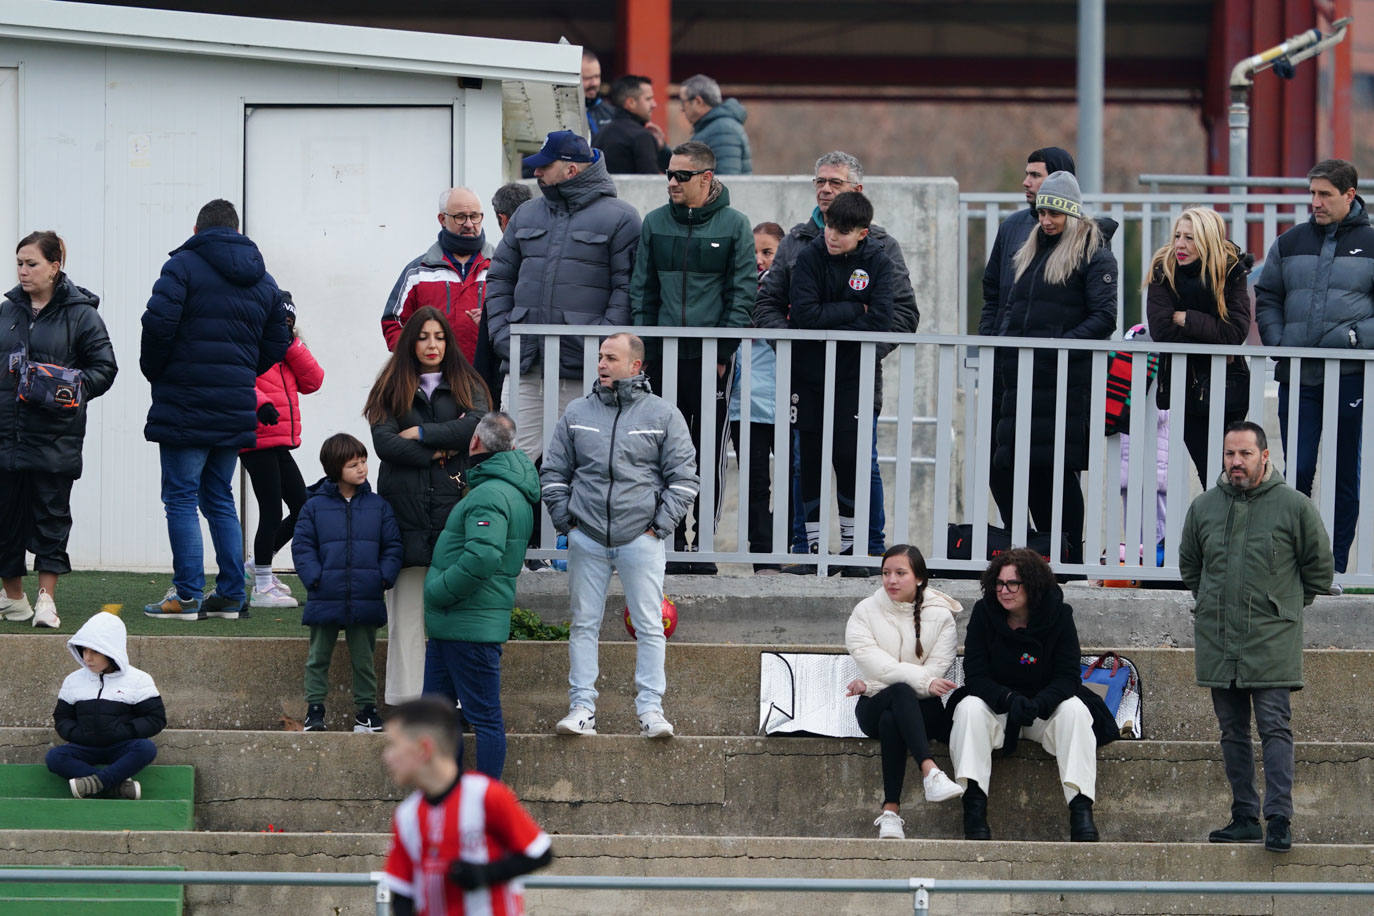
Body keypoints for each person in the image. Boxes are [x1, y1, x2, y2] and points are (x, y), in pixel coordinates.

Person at [754, 151, 919, 566]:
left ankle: (867, 550)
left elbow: (901, 315)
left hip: (857, 379)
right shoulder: (796, 244)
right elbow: (767, 305)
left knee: (860, 460)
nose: (825, 189)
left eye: (836, 183)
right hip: (805, 377)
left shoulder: (882, 247)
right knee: (801, 459)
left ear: (857, 192)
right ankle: (802, 548)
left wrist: (855, 352)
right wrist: (797, 344)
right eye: (820, 182)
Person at [1178, 421, 1333, 853]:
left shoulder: (1293, 506)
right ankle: (1244, 816)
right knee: (1231, 731)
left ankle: (1279, 818)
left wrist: (1281, 606)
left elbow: (1319, 571)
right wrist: (1214, 601)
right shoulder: (1204, 507)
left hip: (1272, 639)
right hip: (1218, 636)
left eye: (1245, 454)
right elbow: (1191, 566)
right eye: (1230, 454)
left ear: (1265, 456)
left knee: (1274, 728)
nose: (1236, 462)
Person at [541, 333, 698, 739]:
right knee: (583, 626)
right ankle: (581, 709)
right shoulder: (577, 411)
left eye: (611, 357)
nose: (601, 364)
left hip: (639, 538)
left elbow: (684, 479)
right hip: (587, 536)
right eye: (599, 357)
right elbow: (554, 472)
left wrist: (657, 528)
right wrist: (568, 523)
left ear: (635, 365)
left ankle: (650, 711)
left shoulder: (663, 414)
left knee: (650, 626)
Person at [141, 199, 290, 621]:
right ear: (237, 231)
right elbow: (278, 341)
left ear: (196, 229)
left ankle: (187, 596)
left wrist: (158, 371)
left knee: (182, 498)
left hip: (185, 402)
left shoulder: (182, 267)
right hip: (233, 403)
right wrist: (241, 370)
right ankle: (230, 594)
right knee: (219, 498)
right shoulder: (263, 279)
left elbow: (157, 325)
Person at [631, 140, 756, 573]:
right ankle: (667, 540)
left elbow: (742, 294)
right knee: (660, 451)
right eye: (668, 174)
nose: (671, 182)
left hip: (712, 361)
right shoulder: (654, 223)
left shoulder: (736, 225)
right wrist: (643, 350)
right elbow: (642, 291)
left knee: (707, 453)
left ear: (706, 178)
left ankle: (700, 545)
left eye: (681, 176)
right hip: (662, 357)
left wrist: (723, 351)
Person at [485, 130, 641, 463]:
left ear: (571, 169)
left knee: (586, 466)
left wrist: (601, 346)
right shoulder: (526, 214)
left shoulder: (622, 218)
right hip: (525, 366)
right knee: (511, 466)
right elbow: (499, 278)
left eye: (545, 165)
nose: (536, 172)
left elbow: (627, 290)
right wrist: (504, 336)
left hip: (584, 369)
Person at [987, 171, 1117, 562]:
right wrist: (1009, 349)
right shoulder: (1031, 248)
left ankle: (1066, 556)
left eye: (1055, 214)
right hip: (1022, 380)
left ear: (1072, 214)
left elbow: (1105, 317)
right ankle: (1035, 552)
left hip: (1064, 383)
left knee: (1055, 473)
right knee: (1005, 468)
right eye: (1043, 212)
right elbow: (1012, 306)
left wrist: (1058, 348)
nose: (1046, 220)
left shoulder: (1092, 252)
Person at [1254, 158, 1374, 581]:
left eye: (1324, 194)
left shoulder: (1372, 242)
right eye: (1312, 193)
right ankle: (1294, 564)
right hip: (1298, 377)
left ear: (1349, 195)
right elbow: (1267, 294)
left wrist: (1356, 338)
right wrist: (1279, 341)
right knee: (1297, 470)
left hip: (1349, 378)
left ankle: (1335, 569)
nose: (1315, 202)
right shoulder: (1290, 242)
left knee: (1344, 474)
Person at [364, 307, 491, 706]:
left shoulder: (469, 383)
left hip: (454, 514)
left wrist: (421, 432)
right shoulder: (390, 385)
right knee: (405, 617)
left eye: (439, 336)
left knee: (451, 617)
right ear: (410, 342)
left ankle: (449, 701)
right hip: (404, 516)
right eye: (423, 337)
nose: (432, 344)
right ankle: (405, 700)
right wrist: (438, 453)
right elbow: (385, 444)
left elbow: (478, 426)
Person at [948, 548, 1117, 842]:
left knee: (1076, 710)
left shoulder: (1059, 615)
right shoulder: (984, 613)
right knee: (969, 708)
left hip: (1044, 711)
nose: (1004, 590)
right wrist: (1009, 700)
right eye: (999, 583)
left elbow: (1067, 676)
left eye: (1013, 583)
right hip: (998, 710)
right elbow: (975, 674)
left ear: (1033, 585)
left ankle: (1081, 812)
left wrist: (1040, 703)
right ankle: (974, 810)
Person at [1, 231, 117, 628]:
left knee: (51, 518)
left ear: (55, 266)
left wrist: (65, 387)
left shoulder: (82, 314)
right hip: (8, 437)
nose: (23, 271)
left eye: (32, 263)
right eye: (19, 263)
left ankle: (46, 600)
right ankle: (13, 599)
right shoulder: (7, 313)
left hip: (54, 438)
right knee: (5, 519)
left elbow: (105, 369)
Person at [423, 412, 538, 779]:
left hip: (467, 621)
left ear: (474, 443)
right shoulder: (506, 488)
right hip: (459, 624)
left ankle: (483, 807)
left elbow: (484, 555)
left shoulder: (490, 493)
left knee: (484, 717)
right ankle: (450, 801)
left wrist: (438, 590)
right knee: (438, 715)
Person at [786, 191, 893, 569]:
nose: (833, 236)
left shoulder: (878, 261)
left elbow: (882, 318)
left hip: (853, 377)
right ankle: (811, 546)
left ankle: (852, 545)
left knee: (851, 457)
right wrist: (853, 308)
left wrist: (837, 315)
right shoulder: (809, 256)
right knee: (809, 459)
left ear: (862, 233)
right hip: (809, 375)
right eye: (830, 227)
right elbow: (804, 315)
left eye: (843, 232)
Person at [381, 697, 552, 916]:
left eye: (394, 745)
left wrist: (484, 874)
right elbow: (403, 894)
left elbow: (540, 853)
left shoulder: (486, 795)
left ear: (424, 748)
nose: (387, 756)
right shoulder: (406, 814)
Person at [844, 544, 964, 840]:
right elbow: (876, 665)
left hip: (921, 709)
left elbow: (937, 673)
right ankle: (930, 772)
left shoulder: (942, 617)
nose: (891, 581)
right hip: (873, 705)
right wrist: (876, 686)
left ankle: (891, 814)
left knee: (892, 719)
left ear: (919, 578)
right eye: (886, 573)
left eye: (900, 573)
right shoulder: (864, 612)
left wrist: (872, 684)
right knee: (896, 694)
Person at [292, 433, 403, 734]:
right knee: (318, 656)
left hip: (366, 595)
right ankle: (314, 711)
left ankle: (366, 713)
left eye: (364, 461)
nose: (362, 468)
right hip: (325, 594)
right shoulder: (314, 507)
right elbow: (302, 547)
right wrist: (315, 578)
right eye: (354, 464)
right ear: (335, 468)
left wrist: (382, 577)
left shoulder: (379, 506)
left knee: (364, 658)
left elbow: (392, 546)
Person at [1145, 207, 1253, 485]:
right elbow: (1162, 331)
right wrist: (1211, 332)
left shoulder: (1231, 270)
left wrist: (1187, 317)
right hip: (1183, 387)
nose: (1180, 244)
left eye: (1190, 238)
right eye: (1178, 235)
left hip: (1228, 388)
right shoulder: (1163, 268)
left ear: (1208, 241)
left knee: (1229, 473)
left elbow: (1234, 332)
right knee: (1211, 473)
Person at [241, 293, 324, 609]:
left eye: (289, 322)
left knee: (303, 506)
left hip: (278, 440)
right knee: (272, 510)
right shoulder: (251, 345)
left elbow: (314, 381)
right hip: (255, 437)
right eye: (279, 321)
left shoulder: (286, 350)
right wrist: (262, 405)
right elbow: (239, 380)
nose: (284, 326)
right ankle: (262, 585)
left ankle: (256, 567)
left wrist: (290, 344)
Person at [46, 611, 166, 800]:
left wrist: (124, 732)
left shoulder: (139, 679)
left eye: (94, 652)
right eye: (84, 650)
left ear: (111, 651)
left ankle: (96, 784)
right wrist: (76, 734)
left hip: (121, 747)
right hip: (85, 747)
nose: (87, 658)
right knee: (55, 757)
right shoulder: (73, 680)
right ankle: (115, 786)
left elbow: (156, 719)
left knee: (146, 748)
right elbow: (62, 717)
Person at [727, 222, 784, 573]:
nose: (759, 259)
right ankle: (762, 553)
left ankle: (783, 542)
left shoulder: (786, 290)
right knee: (755, 482)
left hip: (782, 400)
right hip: (743, 404)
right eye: (754, 252)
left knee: (795, 479)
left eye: (768, 252)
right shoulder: (736, 289)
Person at [381, 187, 491, 363]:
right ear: (442, 219)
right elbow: (393, 324)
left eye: (475, 216)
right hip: (434, 382)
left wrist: (490, 326)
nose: (469, 224)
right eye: (460, 217)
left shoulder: (500, 268)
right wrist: (417, 359)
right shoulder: (418, 272)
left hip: (486, 379)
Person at [978, 147, 1077, 336]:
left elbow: (1099, 312)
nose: (1026, 182)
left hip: (1058, 358)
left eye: (1035, 175)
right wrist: (989, 337)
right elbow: (992, 293)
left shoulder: (1084, 236)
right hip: (1006, 352)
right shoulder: (1011, 226)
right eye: (1026, 174)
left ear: (1060, 180)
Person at [678, 74, 752, 175]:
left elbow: (728, 181)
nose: (681, 109)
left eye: (683, 102)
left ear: (698, 102)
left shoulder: (722, 130)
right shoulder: (713, 128)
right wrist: (663, 150)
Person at [594, 75, 669, 175]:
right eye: (648, 99)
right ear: (631, 103)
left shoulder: (600, 134)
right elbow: (651, 185)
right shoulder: (642, 136)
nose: (654, 104)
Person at [581, 50, 615, 137]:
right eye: (588, 78)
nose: (594, 83)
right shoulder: (563, 115)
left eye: (597, 76)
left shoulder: (612, 113)